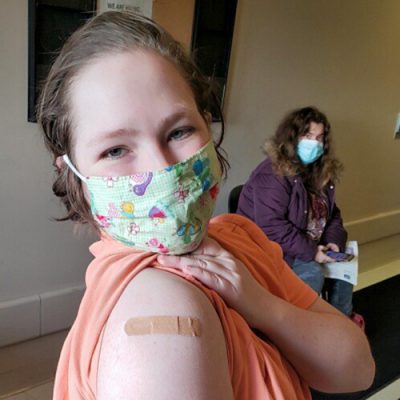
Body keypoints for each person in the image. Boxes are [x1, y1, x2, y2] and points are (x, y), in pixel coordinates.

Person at [37, 12, 374, 399]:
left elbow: (358, 369)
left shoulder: (241, 237)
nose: (162, 170)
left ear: (207, 125)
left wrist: (261, 305)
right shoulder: (154, 304)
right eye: (115, 150)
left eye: (179, 131)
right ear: (74, 174)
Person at [236, 107, 361, 322]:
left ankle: (341, 322)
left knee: (344, 263)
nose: (315, 143)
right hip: (271, 246)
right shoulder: (271, 173)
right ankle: (301, 330)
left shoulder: (319, 172)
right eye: (308, 136)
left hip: (308, 241)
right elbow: (272, 228)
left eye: (320, 138)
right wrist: (313, 252)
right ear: (293, 138)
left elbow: (332, 214)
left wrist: (333, 242)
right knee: (312, 273)